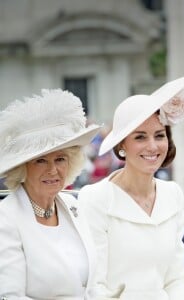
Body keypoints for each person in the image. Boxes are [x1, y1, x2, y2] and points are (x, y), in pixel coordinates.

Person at [78, 73, 184, 300]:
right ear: (122, 145)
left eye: (159, 135)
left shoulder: (173, 194)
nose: (153, 146)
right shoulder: (95, 198)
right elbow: (95, 286)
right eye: (140, 137)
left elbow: (176, 278)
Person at [0, 89, 101, 299]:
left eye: (60, 159)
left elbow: (90, 286)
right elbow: (11, 296)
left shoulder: (72, 206)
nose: (53, 170)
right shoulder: (6, 219)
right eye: (41, 160)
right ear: (22, 168)